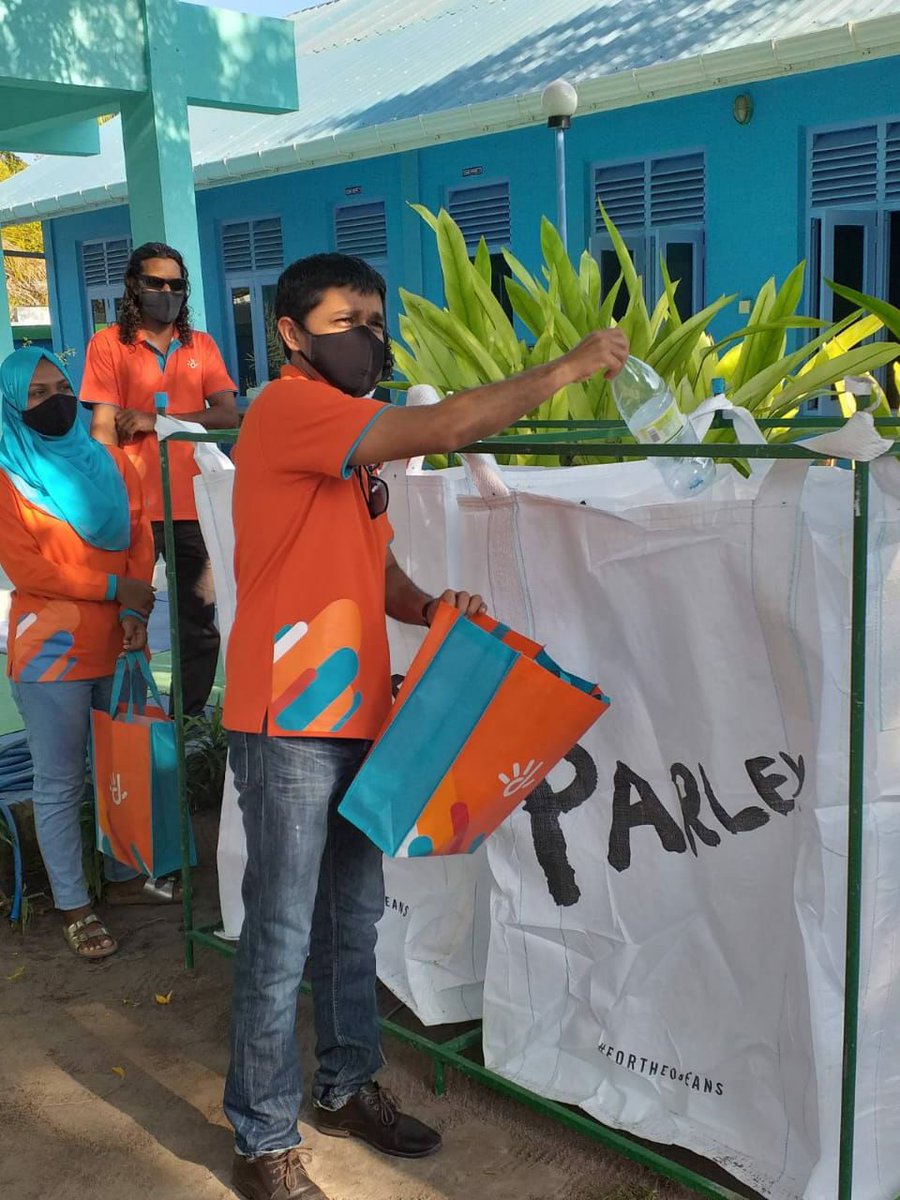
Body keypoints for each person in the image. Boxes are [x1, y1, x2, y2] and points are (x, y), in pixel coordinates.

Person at [222, 251, 628, 1200]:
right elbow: (449, 423)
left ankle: (346, 1084)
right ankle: (261, 1135)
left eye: (373, 317)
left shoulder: (347, 448)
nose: (367, 335)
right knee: (283, 931)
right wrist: (566, 368)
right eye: (343, 320)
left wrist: (425, 607)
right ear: (291, 334)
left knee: (354, 917)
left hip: (363, 708)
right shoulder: (290, 410)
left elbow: (376, 564)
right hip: (287, 718)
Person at [0, 346, 161, 961]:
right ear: (15, 406)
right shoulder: (8, 476)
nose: (55, 400)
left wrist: (131, 610)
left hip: (117, 641)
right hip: (51, 655)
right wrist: (114, 589)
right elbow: (26, 568)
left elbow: (140, 535)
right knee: (61, 781)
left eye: (61, 386)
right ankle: (74, 905)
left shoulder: (111, 463)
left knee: (121, 766)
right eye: (37, 394)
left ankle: (123, 878)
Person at [82, 242, 238, 716]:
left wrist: (159, 419)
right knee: (121, 613)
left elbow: (228, 413)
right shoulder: (108, 345)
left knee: (198, 618)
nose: (166, 292)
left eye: (175, 285)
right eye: (156, 283)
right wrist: (104, 500)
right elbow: (104, 428)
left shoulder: (201, 346)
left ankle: (186, 720)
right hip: (132, 508)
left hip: (194, 504)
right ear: (135, 286)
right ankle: (119, 719)